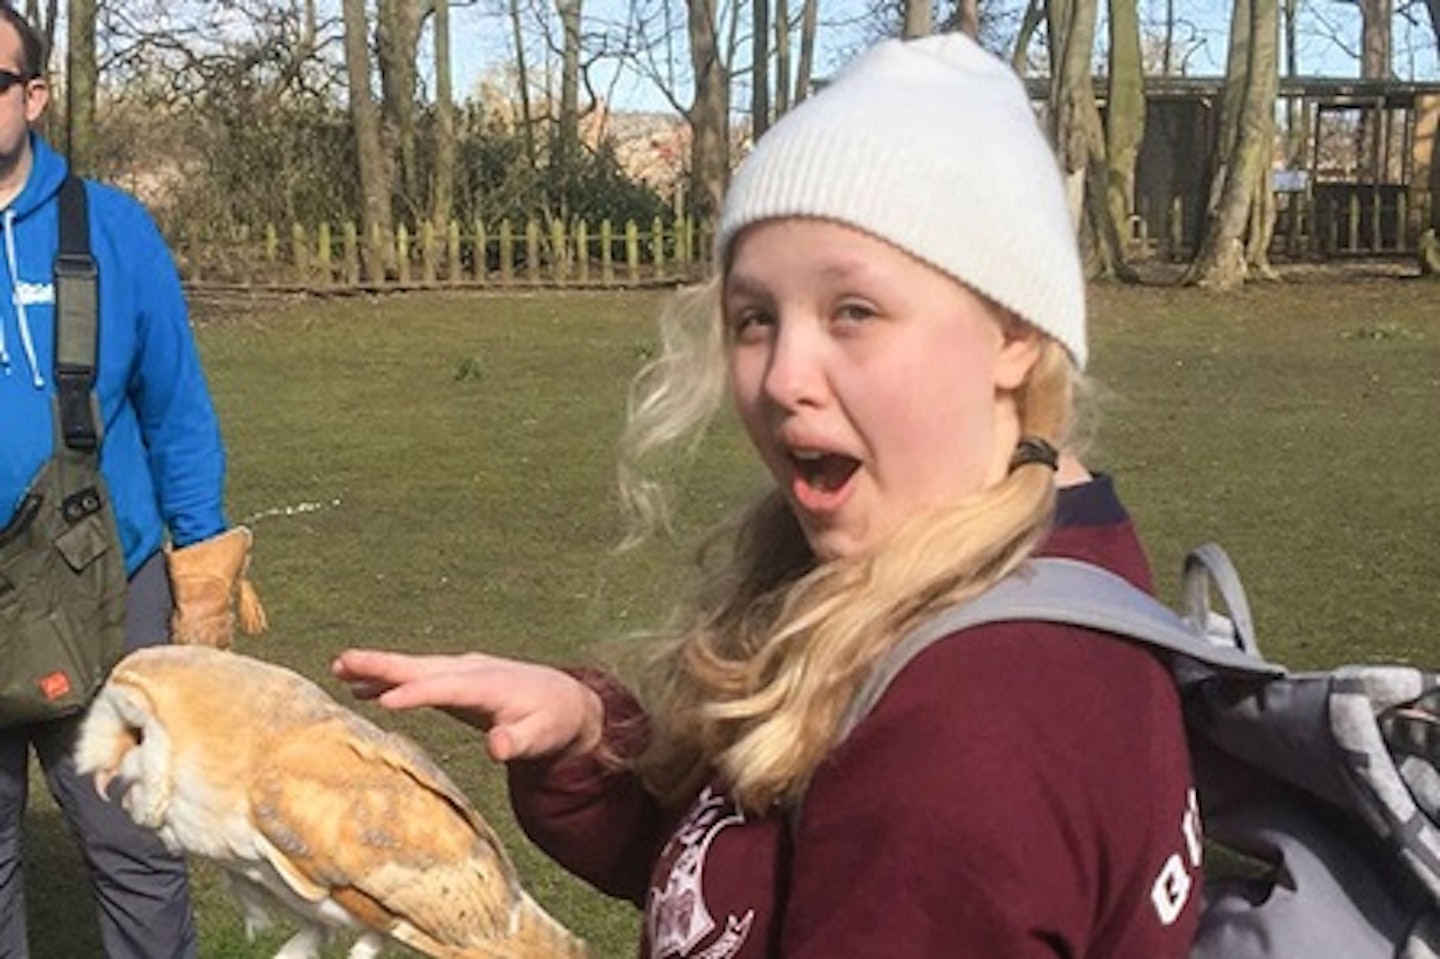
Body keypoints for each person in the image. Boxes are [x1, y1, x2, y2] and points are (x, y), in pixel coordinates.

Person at [334, 32, 1200, 958]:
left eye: (853, 312)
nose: (783, 375)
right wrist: (590, 741)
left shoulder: (973, 723)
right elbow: (750, 885)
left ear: (1015, 335)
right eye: (755, 318)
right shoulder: (983, 566)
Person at [0, 4, 262, 956]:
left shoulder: (111, 228)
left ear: (32, 96)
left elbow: (177, 407)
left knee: (133, 847)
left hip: (108, 588)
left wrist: (202, 569)